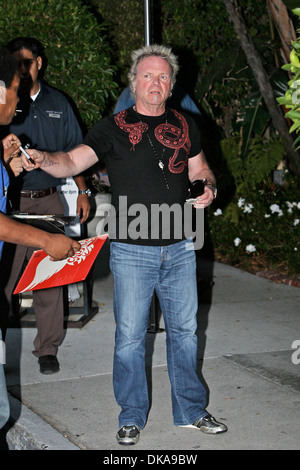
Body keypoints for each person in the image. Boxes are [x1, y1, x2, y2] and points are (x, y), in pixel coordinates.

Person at [22, 44, 227, 445]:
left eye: (163, 77)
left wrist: (209, 188)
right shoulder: (112, 127)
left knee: (185, 332)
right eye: (148, 75)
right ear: (134, 82)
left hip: (182, 245)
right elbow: (70, 162)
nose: (156, 83)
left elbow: (202, 168)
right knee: (131, 337)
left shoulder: (187, 125)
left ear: (171, 85)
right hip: (133, 250)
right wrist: (42, 158)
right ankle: (132, 414)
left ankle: (190, 409)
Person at [0, 46, 80, 431]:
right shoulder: (6, 111)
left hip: (46, 200)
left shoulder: (57, 103)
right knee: (6, 280)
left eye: (24, 65)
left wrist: (83, 191)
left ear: (39, 64)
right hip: (12, 206)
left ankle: (47, 349)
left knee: (50, 281)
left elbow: (77, 154)